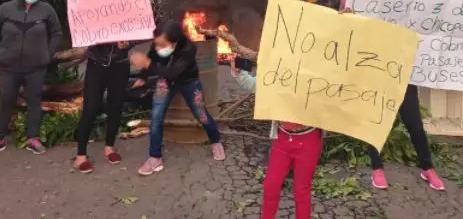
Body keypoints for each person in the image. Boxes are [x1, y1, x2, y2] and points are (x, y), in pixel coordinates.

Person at [344, 0, 463, 191]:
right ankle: (377, 168)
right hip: (378, 79)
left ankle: (427, 167)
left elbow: (438, 0)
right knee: (375, 125)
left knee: (416, 127)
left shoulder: (410, 15)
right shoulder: (368, 19)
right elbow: (348, 18)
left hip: (405, 79)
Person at [0, 0, 63, 157]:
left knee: (34, 101)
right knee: (6, 100)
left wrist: (47, 54)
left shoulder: (46, 10)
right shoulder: (5, 9)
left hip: (35, 68)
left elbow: (57, 33)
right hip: (9, 67)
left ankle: (32, 138)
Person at [129, 20, 225, 176]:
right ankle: (155, 157)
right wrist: (142, 77)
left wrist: (147, 64)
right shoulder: (158, 44)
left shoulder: (188, 48)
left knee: (201, 114)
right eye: (156, 43)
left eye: (162, 44)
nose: (158, 47)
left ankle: (215, 141)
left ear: (174, 42)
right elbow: (152, 57)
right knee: (156, 116)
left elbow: (172, 72)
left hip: (188, 82)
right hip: (165, 82)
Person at [230, 58, 320, 219]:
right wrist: (239, 74)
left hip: (309, 140)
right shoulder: (279, 73)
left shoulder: (315, 75)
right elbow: (254, 84)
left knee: (301, 190)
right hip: (283, 139)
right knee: (270, 185)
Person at [72, 40, 135, 173]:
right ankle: (81, 155)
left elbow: (139, 30)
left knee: (116, 106)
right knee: (91, 107)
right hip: (97, 63)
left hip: (120, 64)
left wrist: (129, 43)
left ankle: (109, 147)